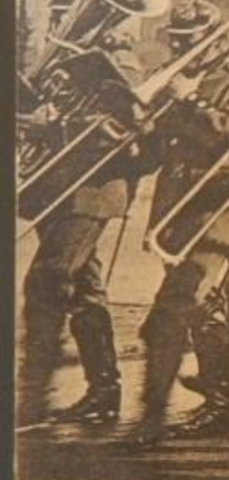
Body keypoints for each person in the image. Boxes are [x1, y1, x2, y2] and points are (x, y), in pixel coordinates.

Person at [127, 0, 229, 447]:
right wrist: (141, 131)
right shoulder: (178, 79)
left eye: (194, 40)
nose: (185, 47)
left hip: (217, 211)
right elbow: (158, 153)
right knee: (200, 309)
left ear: (221, 39)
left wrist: (191, 101)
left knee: (171, 311)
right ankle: (220, 404)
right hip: (177, 211)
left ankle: (152, 420)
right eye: (180, 39)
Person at [17, 25, 144, 428]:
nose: (66, 19)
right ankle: (103, 391)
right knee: (85, 290)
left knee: (47, 281)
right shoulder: (69, 58)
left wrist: (49, 125)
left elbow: (116, 129)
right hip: (57, 188)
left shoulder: (120, 63)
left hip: (92, 192)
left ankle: (34, 400)